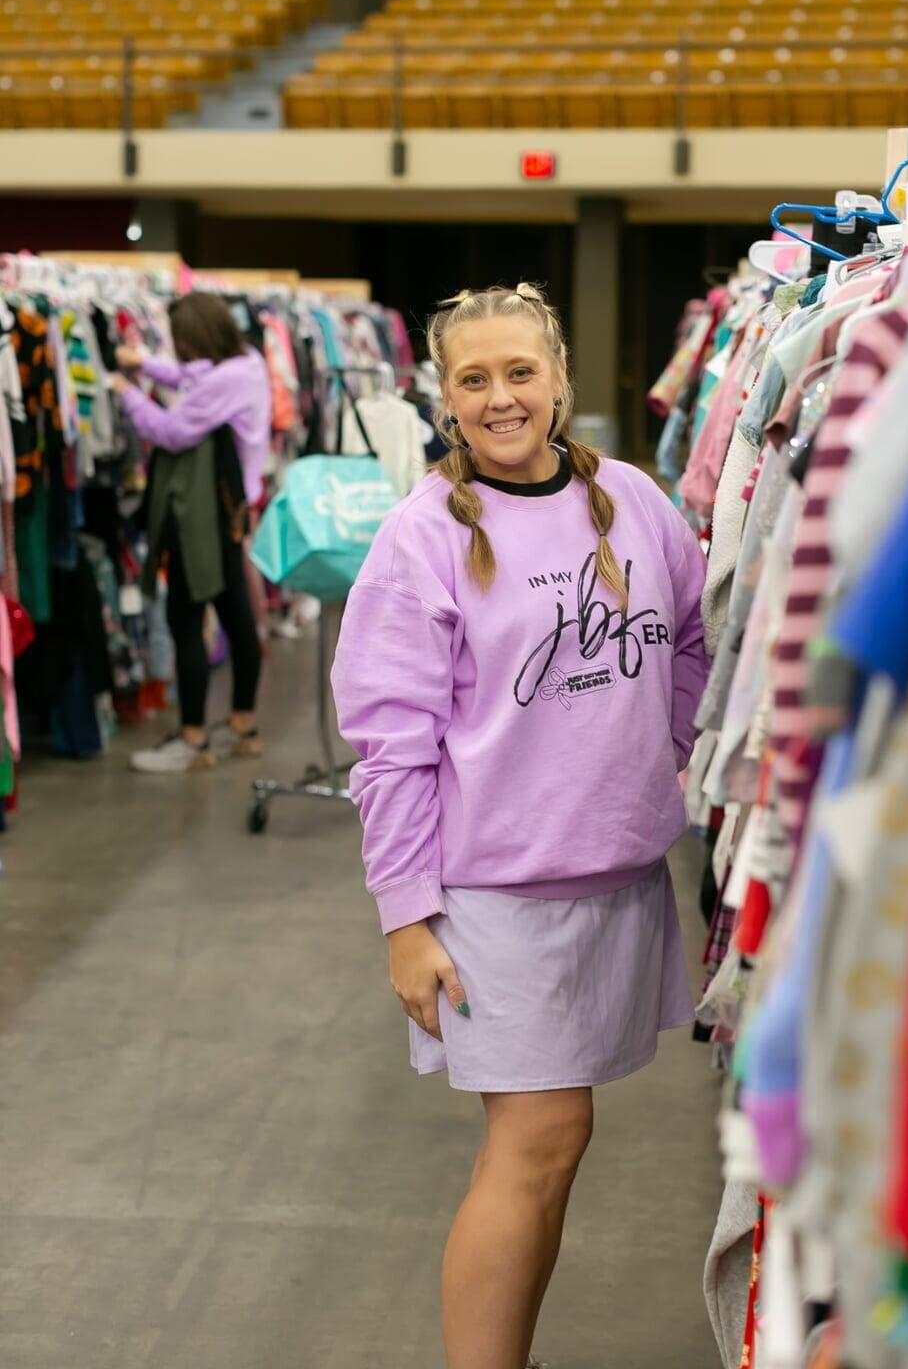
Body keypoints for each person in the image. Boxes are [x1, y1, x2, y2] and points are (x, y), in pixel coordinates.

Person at [331, 283, 709, 1369]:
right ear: (444, 398)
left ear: (558, 378)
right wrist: (406, 917)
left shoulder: (634, 500)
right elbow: (392, 746)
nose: (501, 398)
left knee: (559, 1139)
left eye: (519, 372)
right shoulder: (419, 539)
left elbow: (688, 637)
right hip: (497, 898)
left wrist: (657, 752)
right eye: (473, 379)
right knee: (536, 1137)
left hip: (620, 880)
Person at [110, 291, 271, 773]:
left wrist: (127, 393)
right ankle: (243, 725)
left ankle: (194, 738)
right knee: (236, 615)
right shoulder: (246, 361)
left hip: (205, 513)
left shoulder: (224, 381)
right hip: (232, 506)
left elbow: (172, 430)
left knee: (186, 617)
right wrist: (147, 364)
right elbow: (192, 374)